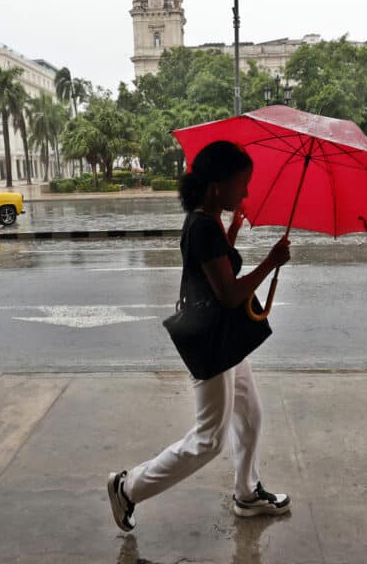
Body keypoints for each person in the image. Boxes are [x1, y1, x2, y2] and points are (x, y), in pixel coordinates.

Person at [107, 140, 292, 532]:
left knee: (251, 415)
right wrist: (271, 263)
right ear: (216, 187)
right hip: (213, 343)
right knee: (209, 440)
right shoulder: (204, 226)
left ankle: (246, 492)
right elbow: (227, 292)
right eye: (241, 184)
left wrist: (234, 231)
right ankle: (128, 488)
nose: (246, 193)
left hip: (227, 338)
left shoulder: (206, 220)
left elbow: (214, 268)